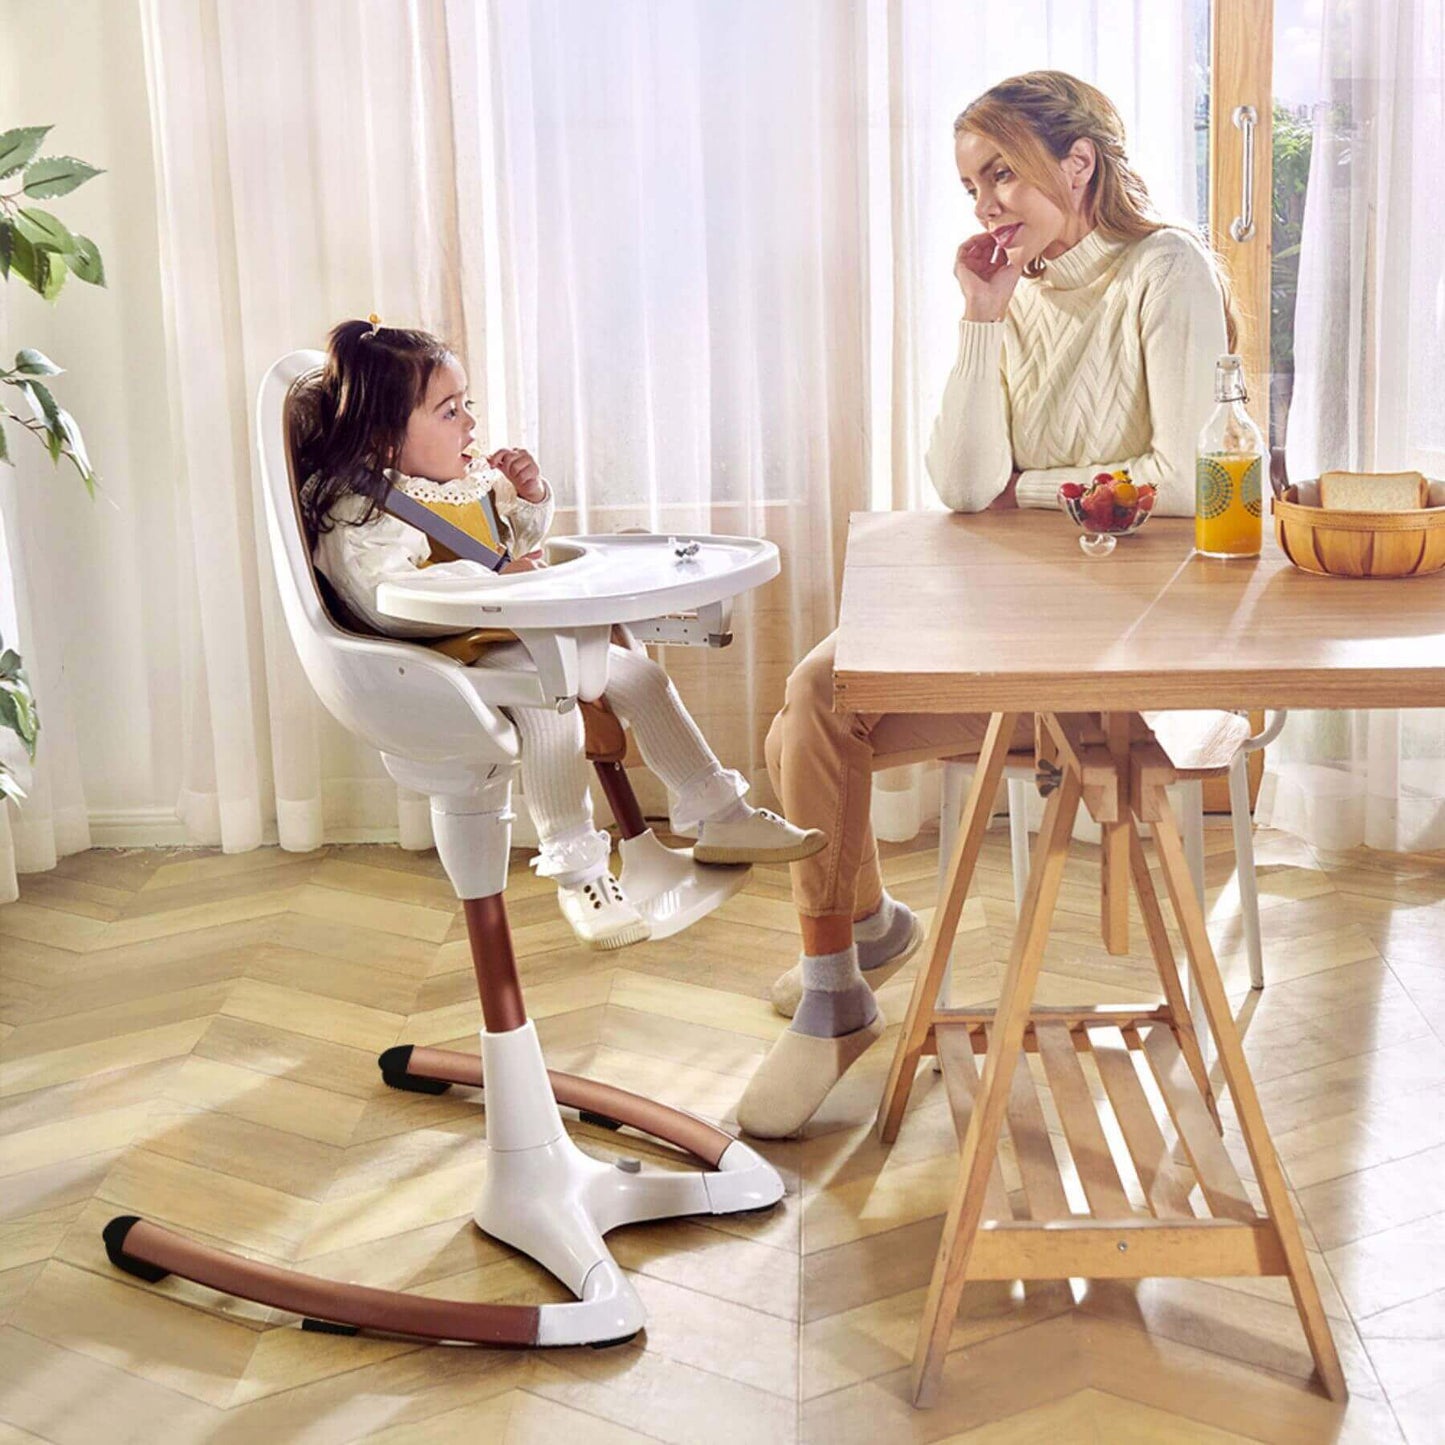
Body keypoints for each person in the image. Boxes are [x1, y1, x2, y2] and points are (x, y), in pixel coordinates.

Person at [738, 69, 1234, 1137]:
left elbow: (1192, 479)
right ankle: (852, 950)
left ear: (1077, 163)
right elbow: (965, 486)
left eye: (1000, 173)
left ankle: (844, 971)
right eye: (970, 185)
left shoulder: (1166, 270)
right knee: (811, 713)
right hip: (1017, 608)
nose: (985, 204)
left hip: (1134, 637)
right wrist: (980, 316)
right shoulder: (1013, 292)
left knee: (813, 711)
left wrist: (1034, 487)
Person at [295, 318, 825, 949]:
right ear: (385, 439)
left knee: (645, 679)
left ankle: (722, 815)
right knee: (554, 713)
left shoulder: (452, 486)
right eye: (448, 411)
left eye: (468, 404)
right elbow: (389, 600)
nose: (470, 424)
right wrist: (498, 584)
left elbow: (509, 550)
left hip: (515, 635)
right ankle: (581, 875)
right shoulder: (364, 513)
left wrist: (529, 496)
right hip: (449, 659)